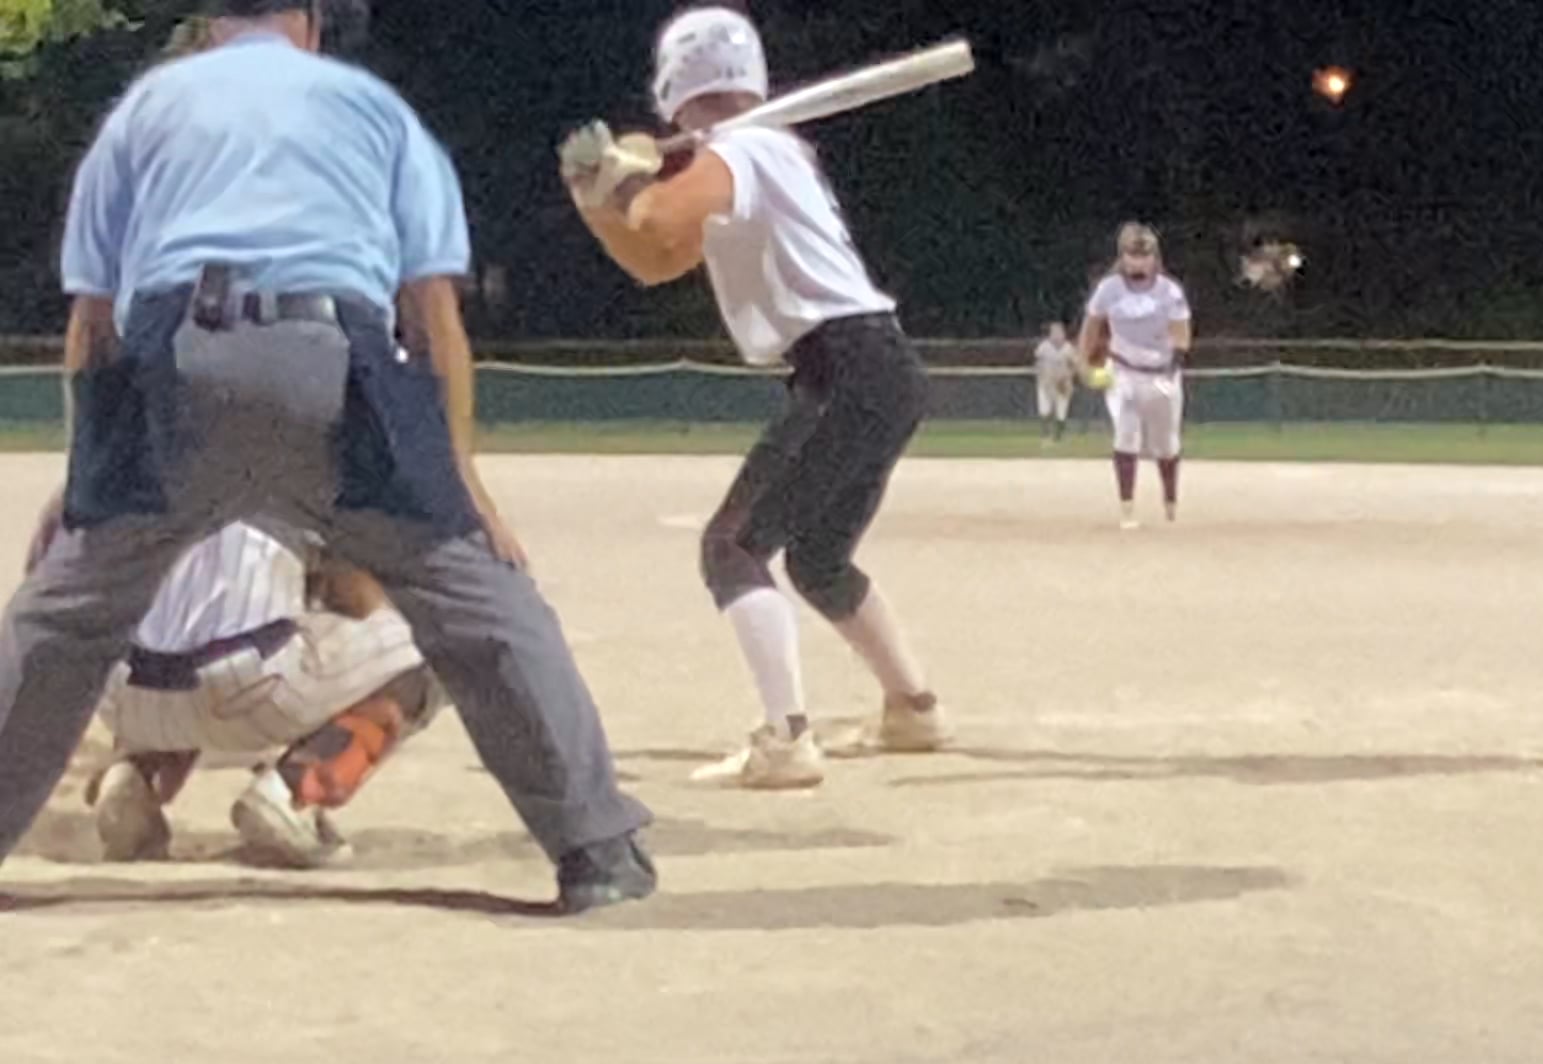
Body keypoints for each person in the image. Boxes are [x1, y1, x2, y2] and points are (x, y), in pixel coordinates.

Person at [0, 0, 654, 914]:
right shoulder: (374, 110)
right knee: (482, 606)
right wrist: (460, 482)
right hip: (332, 368)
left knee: (64, 621)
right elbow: (432, 316)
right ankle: (597, 851)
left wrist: (89, 478)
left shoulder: (144, 110)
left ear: (215, 22)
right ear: (308, 22)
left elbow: (93, 324)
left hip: (173, 368)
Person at [560, 5, 950, 790]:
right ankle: (913, 709)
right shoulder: (759, 154)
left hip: (848, 366)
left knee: (731, 547)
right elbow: (656, 258)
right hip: (873, 369)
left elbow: (658, 215)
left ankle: (786, 739)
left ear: (674, 85)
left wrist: (630, 175)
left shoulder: (746, 149)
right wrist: (596, 198)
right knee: (819, 560)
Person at [79, 519, 448, 869]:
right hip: (243, 686)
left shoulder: (124, 469)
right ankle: (296, 793)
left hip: (119, 690)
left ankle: (133, 773)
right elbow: (356, 598)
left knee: (175, 618)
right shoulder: (305, 472)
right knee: (444, 643)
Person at [1078, 222, 1193, 530]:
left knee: (1165, 443)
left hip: (1161, 372)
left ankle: (1170, 501)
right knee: (1126, 433)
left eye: (1144, 256)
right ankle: (1127, 507)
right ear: (1122, 257)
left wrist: (1174, 364)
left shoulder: (1169, 292)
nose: (1138, 262)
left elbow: (1182, 334)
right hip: (1123, 370)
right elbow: (1091, 326)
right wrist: (1083, 361)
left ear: (1155, 258)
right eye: (1132, 255)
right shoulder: (1109, 289)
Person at [1033, 321, 1078, 445]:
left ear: (1064, 334)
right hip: (1046, 382)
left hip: (1063, 383)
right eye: (1054, 332)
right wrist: (1041, 377)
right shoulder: (1044, 347)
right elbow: (1037, 363)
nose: (1057, 335)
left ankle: (1058, 436)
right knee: (1044, 409)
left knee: (1061, 411)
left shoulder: (1068, 348)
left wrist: (1068, 377)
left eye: (1060, 332)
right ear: (1050, 334)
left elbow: (1075, 365)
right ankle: (1045, 434)